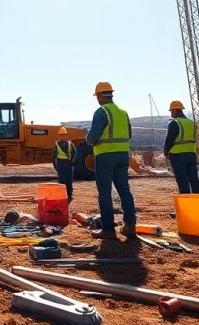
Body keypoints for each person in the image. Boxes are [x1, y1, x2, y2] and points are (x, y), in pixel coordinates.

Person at [84, 82, 136, 240]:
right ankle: (130, 225)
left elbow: (92, 138)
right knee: (124, 189)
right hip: (122, 155)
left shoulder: (101, 112)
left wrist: (88, 139)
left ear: (100, 96)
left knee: (105, 192)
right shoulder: (123, 112)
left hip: (106, 156)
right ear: (111, 94)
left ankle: (108, 229)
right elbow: (129, 135)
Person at [164, 100, 199, 194]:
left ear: (174, 111)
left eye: (171, 111)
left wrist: (166, 152)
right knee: (194, 180)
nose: (171, 114)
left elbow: (169, 140)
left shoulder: (174, 123)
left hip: (178, 157)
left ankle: (186, 203)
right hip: (191, 155)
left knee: (182, 182)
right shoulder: (191, 123)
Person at [53, 126, 76, 202]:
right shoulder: (56, 144)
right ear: (59, 135)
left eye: (64, 135)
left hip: (68, 163)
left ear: (66, 135)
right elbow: (54, 155)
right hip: (60, 163)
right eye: (61, 135)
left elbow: (75, 153)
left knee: (69, 179)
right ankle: (63, 194)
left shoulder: (70, 143)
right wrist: (55, 165)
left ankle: (69, 195)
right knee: (62, 180)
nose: (62, 136)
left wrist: (73, 159)